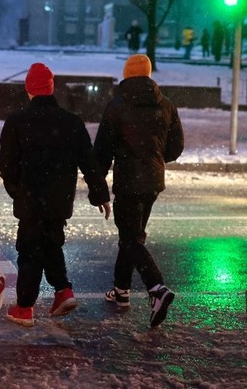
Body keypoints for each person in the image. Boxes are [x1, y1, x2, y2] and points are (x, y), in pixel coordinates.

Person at [0, 63, 111, 327]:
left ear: (29, 89)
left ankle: (25, 307)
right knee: (50, 244)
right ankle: (63, 291)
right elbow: (89, 161)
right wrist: (100, 194)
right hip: (59, 200)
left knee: (29, 250)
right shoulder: (71, 121)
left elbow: (7, 163)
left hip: (30, 198)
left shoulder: (17, 121)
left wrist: (16, 190)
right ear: (51, 88)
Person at [94, 54, 184, 328]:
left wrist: (97, 183)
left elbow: (102, 151)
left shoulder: (117, 106)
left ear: (127, 75)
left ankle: (156, 288)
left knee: (131, 238)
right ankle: (121, 291)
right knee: (132, 236)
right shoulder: (165, 104)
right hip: (153, 182)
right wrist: (154, 158)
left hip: (129, 182)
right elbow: (175, 147)